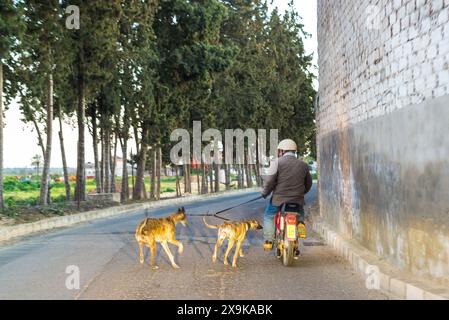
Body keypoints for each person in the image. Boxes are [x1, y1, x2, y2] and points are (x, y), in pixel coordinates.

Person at [261, 139, 313, 254]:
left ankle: (269, 240)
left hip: (278, 200)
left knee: (269, 215)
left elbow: (269, 182)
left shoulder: (276, 163)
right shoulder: (303, 165)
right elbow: (308, 183)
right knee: (299, 212)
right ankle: (300, 223)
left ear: (281, 151)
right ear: (294, 151)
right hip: (297, 199)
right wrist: (301, 193)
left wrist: (264, 193)